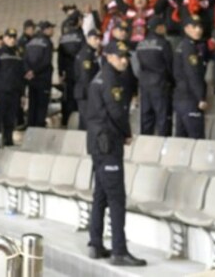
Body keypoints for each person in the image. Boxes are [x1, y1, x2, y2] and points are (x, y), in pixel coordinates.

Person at [86, 40, 146, 267]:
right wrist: (127, 133)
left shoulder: (100, 77)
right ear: (109, 56)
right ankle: (119, 250)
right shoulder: (110, 80)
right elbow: (116, 112)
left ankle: (95, 243)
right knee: (116, 198)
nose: (125, 60)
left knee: (101, 195)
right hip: (108, 144)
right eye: (120, 56)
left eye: (126, 56)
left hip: (99, 145)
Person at [135, 16, 173, 136]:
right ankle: (163, 146)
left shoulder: (140, 44)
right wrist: (173, 82)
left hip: (144, 85)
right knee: (162, 118)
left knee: (146, 117)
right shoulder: (164, 44)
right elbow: (170, 65)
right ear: (159, 27)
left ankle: (145, 146)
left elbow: (138, 66)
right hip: (160, 84)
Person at [0, 28, 26, 146]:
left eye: (14, 37)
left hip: (14, 93)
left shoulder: (18, 54)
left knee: (10, 119)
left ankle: (8, 141)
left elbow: (21, 76)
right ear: (4, 38)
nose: (12, 40)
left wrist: (23, 94)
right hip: (1, 93)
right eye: (9, 37)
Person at [173, 14, 209, 138]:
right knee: (196, 139)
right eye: (194, 27)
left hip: (180, 96)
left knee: (181, 140)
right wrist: (200, 97)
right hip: (190, 97)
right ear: (186, 28)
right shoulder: (190, 47)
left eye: (200, 27)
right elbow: (193, 73)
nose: (198, 30)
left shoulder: (182, 45)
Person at [24, 20, 55, 127]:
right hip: (43, 78)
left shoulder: (30, 41)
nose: (53, 31)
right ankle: (39, 128)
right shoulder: (47, 42)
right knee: (42, 106)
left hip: (31, 79)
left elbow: (25, 59)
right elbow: (46, 62)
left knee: (32, 104)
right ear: (45, 30)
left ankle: (30, 127)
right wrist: (35, 71)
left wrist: (29, 71)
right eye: (51, 28)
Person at [58, 11, 85, 126]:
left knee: (68, 96)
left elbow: (60, 57)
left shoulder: (63, 37)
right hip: (79, 71)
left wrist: (60, 72)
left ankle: (67, 120)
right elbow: (84, 55)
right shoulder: (80, 36)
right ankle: (79, 121)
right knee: (79, 96)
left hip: (68, 71)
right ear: (78, 21)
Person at [74, 29, 102, 131]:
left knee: (86, 121)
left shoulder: (90, 53)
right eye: (95, 38)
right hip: (85, 93)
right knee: (87, 122)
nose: (98, 41)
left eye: (99, 39)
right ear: (88, 39)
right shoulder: (86, 54)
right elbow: (85, 76)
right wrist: (92, 94)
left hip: (85, 91)